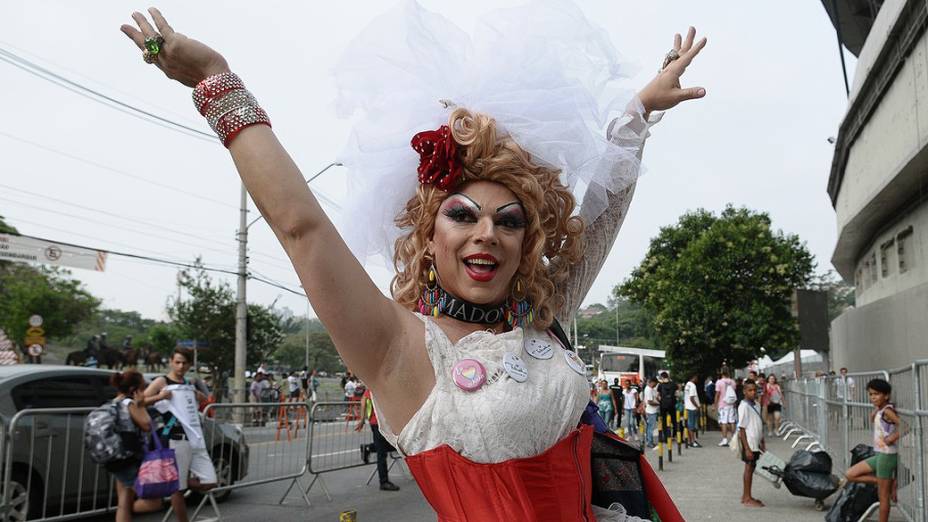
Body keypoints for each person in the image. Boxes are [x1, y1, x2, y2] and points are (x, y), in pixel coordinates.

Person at [121, 5, 706, 519]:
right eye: (463, 216)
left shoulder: (538, 314)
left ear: (527, 241)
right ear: (428, 235)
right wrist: (215, 82)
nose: (487, 235)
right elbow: (300, 227)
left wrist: (637, 115)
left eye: (509, 221)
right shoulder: (397, 346)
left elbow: (600, 216)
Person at [144, 348, 217, 522]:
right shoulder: (162, 381)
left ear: (190, 364)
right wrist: (160, 396)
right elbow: (141, 401)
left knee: (211, 481)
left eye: (184, 363)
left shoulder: (188, 383)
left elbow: (203, 400)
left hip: (194, 438)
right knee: (178, 490)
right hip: (174, 438)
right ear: (171, 361)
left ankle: (176, 483)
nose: (181, 366)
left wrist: (197, 396)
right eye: (177, 362)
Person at [844, 379, 901, 522]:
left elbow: (906, 426)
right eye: (870, 394)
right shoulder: (881, 410)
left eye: (876, 394)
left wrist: (892, 437)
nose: (873, 397)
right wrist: (875, 411)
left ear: (886, 395)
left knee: (883, 497)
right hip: (879, 455)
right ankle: (889, 481)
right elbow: (876, 422)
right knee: (850, 474)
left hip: (887, 457)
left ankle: (886, 484)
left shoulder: (888, 410)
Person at [110, 370, 161, 522]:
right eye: (143, 387)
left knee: (124, 502)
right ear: (135, 390)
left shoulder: (114, 402)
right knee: (154, 502)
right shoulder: (130, 403)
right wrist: (140, 404)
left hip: (117, 455)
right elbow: (147, 425)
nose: (145, 391)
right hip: (131, 457)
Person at [356, 387, 401, 491]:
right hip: (378, 423)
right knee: (382, 452)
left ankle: (368, 448)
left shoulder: (379, 384)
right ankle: (384, 482)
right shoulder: (375, 385)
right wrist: (362, 420)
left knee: (393, 446)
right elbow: (363, 401)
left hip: (385, 423)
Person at [737, 379, 765, 507]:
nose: (753, 392)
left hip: (756, 442)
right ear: (744, 392)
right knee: (749, 468)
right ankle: (747, 497)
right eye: (750, 390)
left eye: (754, 390)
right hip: (749, 443)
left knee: (752, 467)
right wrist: (747, 448)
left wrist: (762, 441)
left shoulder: (757, 405)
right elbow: (741, 428)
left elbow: (759, 424)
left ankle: (746, 495)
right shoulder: (744, 406)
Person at [715, 368, 737, 447]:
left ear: (721, 373)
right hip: (731, 404)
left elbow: (717, 394)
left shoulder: (719, 382)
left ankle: (725, 440)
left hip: (723, 404)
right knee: (732, 421)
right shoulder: (733, 382)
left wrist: (715, 404)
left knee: (724, 422)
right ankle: (734, 439)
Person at [656, 371, 677, 444]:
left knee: (664, 422)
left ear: (662, 377)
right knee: (674, 420)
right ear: (668, 376)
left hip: (663, 406)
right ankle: (675, 435)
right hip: (672, 405)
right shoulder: (673, 384)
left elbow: (657, 396)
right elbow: (676, 394)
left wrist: (661, 401)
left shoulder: (660, 385)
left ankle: (666, 438)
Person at [683, 374, 701, 447]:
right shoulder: (693, 386)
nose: (697, 379)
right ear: (694, 377)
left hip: (688, 407)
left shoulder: (687, 384)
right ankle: (693, 441)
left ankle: (691, 440)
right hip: (692, 408)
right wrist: (697, 406)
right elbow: (692, 398)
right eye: (696, 377)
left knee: (690, 424)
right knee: (692, 425)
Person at [643, 377, 660, 449]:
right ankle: (650, 442)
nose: (655, 385)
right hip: (651, 411)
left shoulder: (648, 389)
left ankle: (648, 440)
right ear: (652, 382)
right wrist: (659, 404)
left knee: (649, 427)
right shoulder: (649, 389)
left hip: (649, 410)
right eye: (655, 384)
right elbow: (650, 402)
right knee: (651, 427)